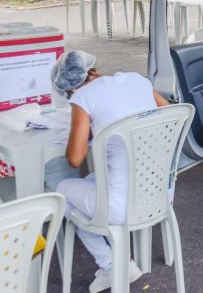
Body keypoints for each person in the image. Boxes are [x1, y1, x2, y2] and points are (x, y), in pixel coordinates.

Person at [51, 51, 170, 293]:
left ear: (70, 89)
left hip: (122, 205)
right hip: (159, 193)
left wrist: (88, 132)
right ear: (92, 70)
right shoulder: (137, 79)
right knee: (91, 181)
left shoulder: (82, 98)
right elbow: (168, 112)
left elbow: (75, 158)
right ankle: (120, 260)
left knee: (62, 193)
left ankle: (111, 265)